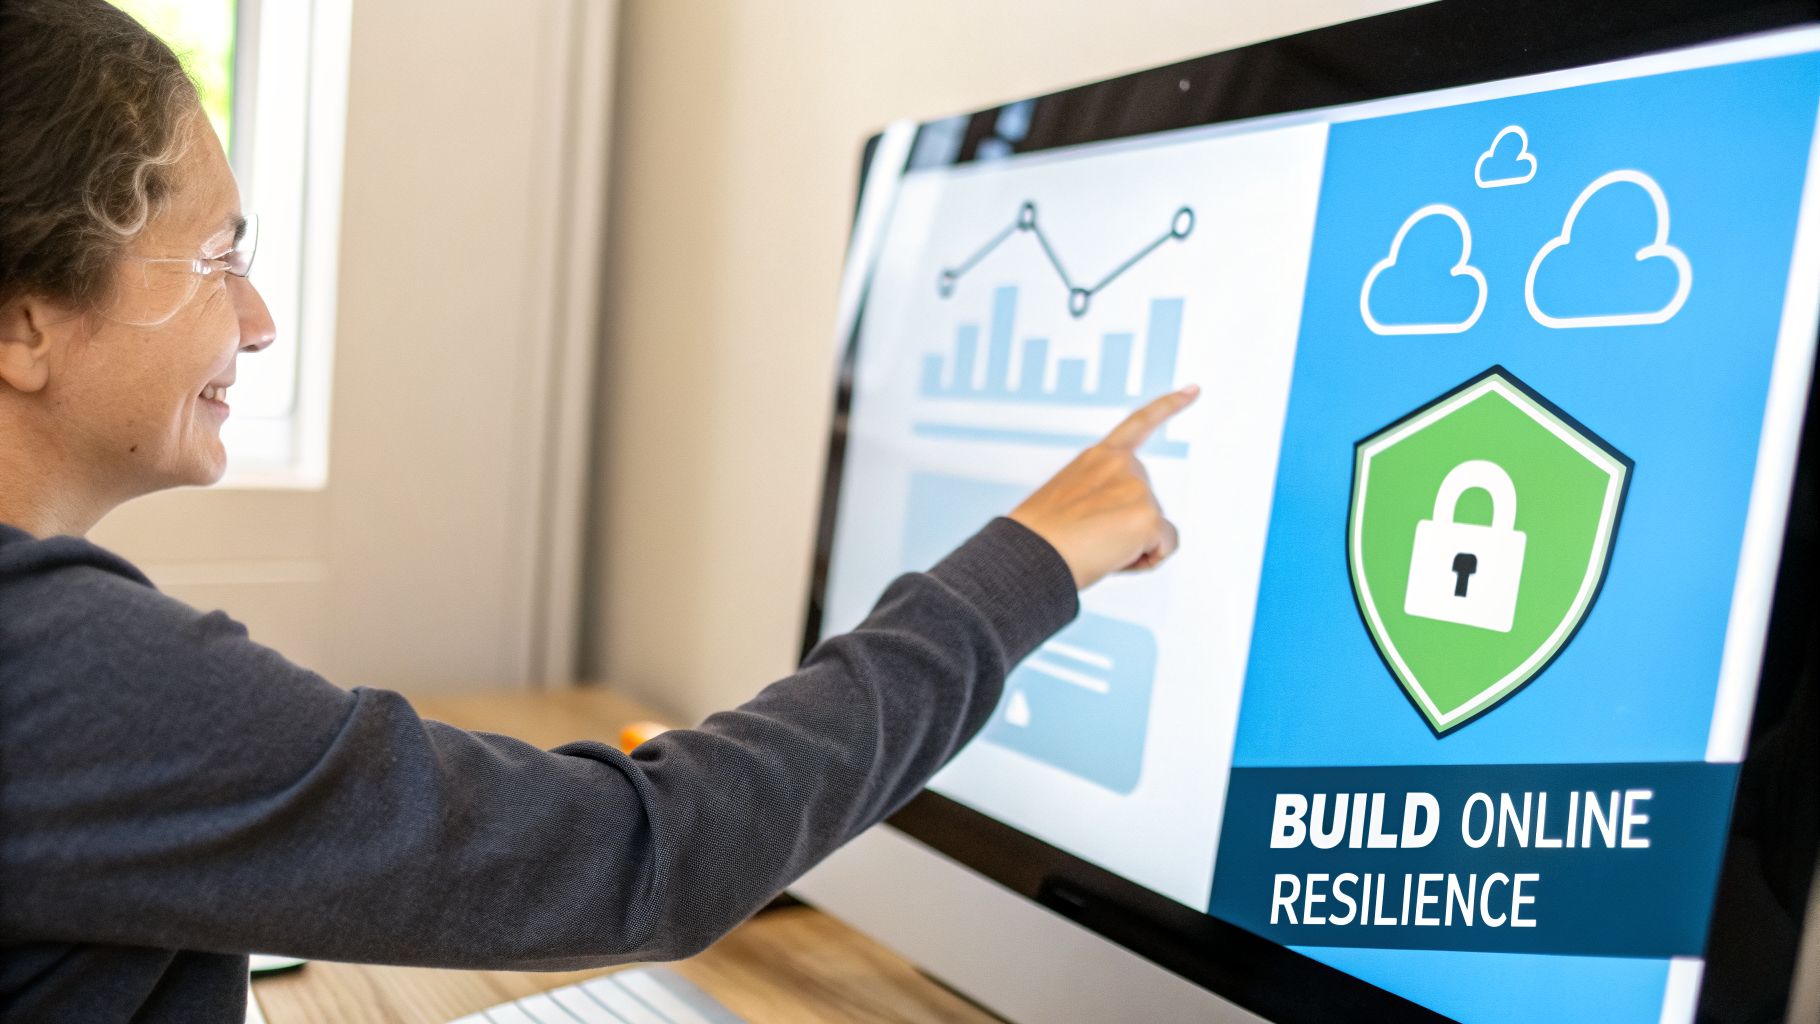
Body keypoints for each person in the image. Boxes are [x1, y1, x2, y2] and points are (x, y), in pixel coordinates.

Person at [0, 2, 1196, 1021]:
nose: (258, 321)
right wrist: (1025, 565)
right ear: (22, 320)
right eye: (216, 258)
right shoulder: (65, 674)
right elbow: (649, 855)